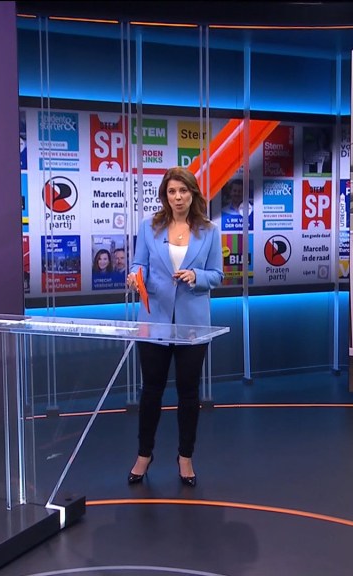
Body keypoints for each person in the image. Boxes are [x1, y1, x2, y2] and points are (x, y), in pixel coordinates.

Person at [126, 166, 223, 487]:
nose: (177, 197)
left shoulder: (209, 231)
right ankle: (144, 454)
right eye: (171, 191)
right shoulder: (149, 227)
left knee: (188, 392)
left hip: (193, 324)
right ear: (164, 196)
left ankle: (185, 457)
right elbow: (139, 263)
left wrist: (197, 276)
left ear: (193, 194)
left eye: (183, 191)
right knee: (151, 391)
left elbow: (217, 275)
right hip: (154, 320)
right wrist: (134, 276)